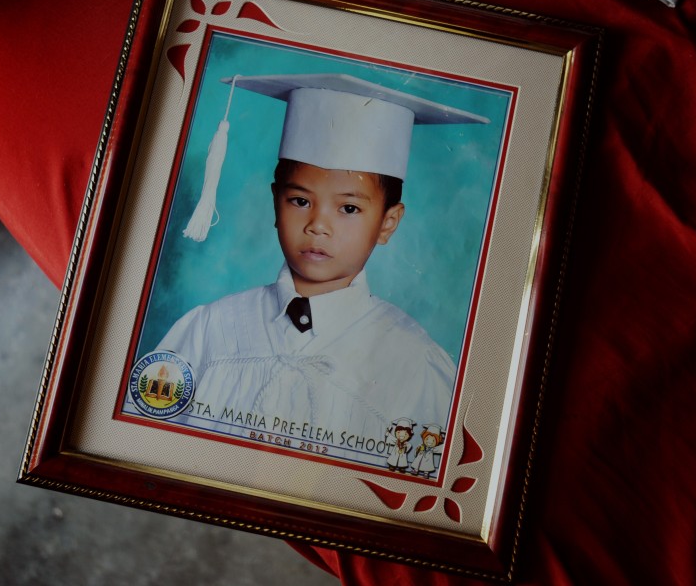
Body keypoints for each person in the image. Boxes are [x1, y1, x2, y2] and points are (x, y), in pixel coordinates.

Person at [142, 73, 488, 469]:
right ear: (276, 202)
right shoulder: (211, 328)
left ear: (388, 223)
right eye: (300, 200)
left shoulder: (414, 364)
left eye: (349, 208)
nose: (318, 225)